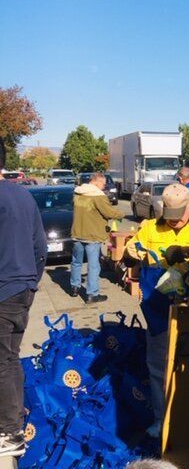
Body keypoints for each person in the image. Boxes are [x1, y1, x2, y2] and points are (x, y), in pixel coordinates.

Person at [124, 183, 189, 438]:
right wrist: (130, 253)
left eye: (180, 216)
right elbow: (130, 256)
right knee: (158, 365)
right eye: (170, 216)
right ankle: (161, 419)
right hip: (158, 307)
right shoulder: (149, 228)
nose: (174, 223)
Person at [0, 138, 47, 458]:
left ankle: (9, 432)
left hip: (4, 290)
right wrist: (31, 281)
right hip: (22, 289)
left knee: (2, 362)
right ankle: (13, 420)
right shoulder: (23, 194)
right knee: (9, 358)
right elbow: (40, 247)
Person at [71, 172, 124, 303]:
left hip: (77, 233)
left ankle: (74, 287)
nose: (104, 187)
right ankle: (92, 294)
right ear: (96, 182)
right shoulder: (98, 196)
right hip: (93, 234)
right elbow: (109, 212)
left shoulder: (78, 193)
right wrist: (121, 214)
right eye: (103, 184)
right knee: (93, 266)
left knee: (76, 262)